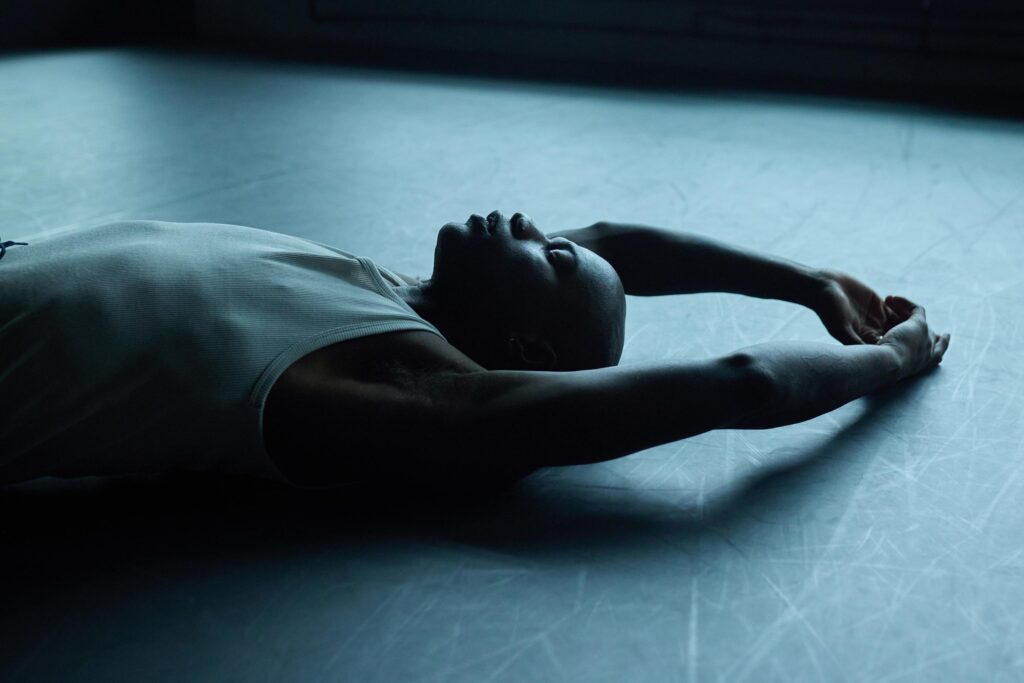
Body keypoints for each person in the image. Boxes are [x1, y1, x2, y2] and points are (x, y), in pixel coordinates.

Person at [0, 212, 949, 489]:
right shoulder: (369, 285)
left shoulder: (384, 374)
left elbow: (736, 383)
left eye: (555, 255)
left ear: (524, 341)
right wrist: (809, 279)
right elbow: (626, 243)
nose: (542, 227)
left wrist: (893, 360)